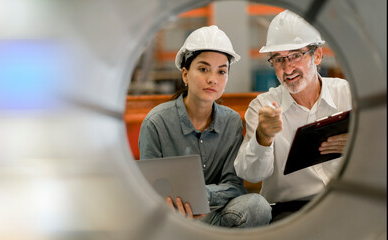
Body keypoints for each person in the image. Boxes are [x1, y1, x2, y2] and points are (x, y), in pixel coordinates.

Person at [138, 25, 271, 228]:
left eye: (221, 72)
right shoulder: (156, 123)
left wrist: (200, 196)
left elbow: (235, 186)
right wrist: (175, 206)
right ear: (185, 74)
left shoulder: (232, 122)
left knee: (257, 206)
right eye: (203, 69)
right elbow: (148, 189)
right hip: (173, 219)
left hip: (217, 216)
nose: (212, 79)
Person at [233, 10, 352, 222]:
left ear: (317, 55)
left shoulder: (347, 95)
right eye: (278, 59)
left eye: (296, 55)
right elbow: (251, 174)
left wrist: (358, 145)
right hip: (290, 211)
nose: (287, 68)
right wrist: (263, 138)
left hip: (346, 200)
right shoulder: (261, 107)